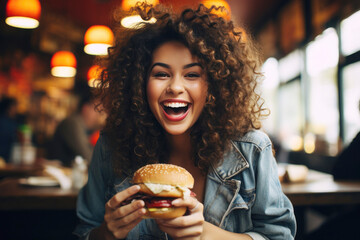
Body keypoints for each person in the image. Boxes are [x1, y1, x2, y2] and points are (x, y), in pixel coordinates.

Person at [74, 3, 296, 240]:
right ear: (140, 84)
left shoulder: (252, 148)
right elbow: (83, 232)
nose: (175, 87)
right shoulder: (111, 147)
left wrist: (206, 235)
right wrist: (105, 234)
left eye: (192, 75)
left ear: (213, 86)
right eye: (161, 74)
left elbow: (279, 236)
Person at [47, 83, 106, 166]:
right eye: (97, 110)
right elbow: (89, 156)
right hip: (56, 176)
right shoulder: (73, 123)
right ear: (85, 108)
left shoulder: (88, 129)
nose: (99, 115)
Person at [0, 97, 19, 162]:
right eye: (14, 107)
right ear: (8, 108)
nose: (16, 110)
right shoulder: (8, 123)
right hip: (6, 158)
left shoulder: (11, 122)